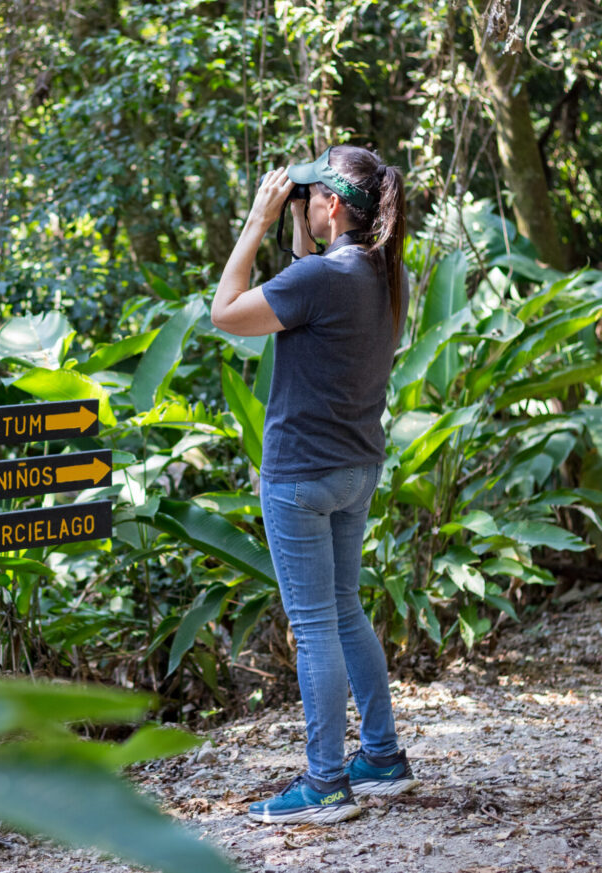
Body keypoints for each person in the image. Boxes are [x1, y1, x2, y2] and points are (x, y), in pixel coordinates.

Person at [211, 145, 419, 825]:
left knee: (315, 624)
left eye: (310, 197)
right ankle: (382, 757)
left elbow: (227, 312)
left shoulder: (321, 280)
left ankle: (327, 780)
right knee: (344, 608)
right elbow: (311, 288)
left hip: (300, 474)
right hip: (356, 468)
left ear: (332, 205)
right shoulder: (385, 272)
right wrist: (300, 228)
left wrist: (256, 221)